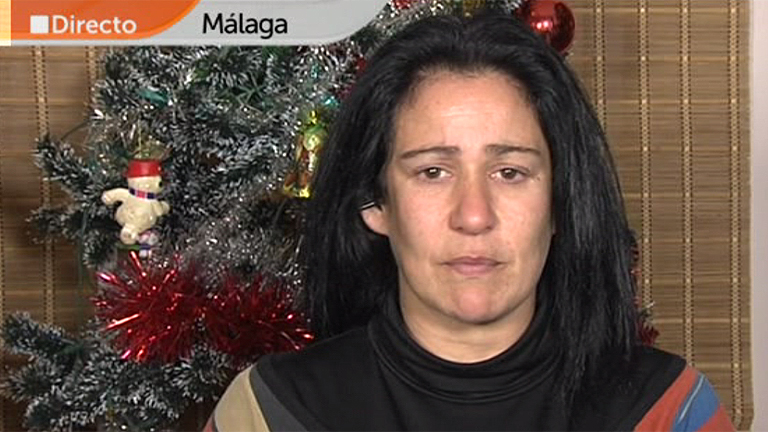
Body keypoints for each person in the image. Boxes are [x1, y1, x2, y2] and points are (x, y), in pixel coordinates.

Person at [206, 10, 735, 432]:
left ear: (560, 202)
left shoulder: (667, 411)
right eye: (433, 172)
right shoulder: (271, 412)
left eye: (510, 172)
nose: (474, 216)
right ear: (375, 202)